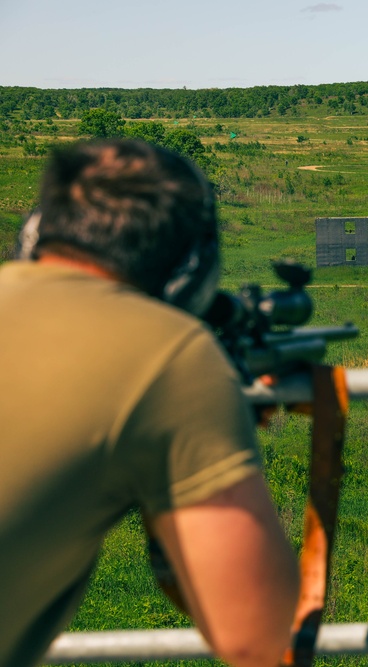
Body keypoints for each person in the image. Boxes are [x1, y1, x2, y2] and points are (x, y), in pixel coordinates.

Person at [0, 139, 299, 667]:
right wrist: (196, 433)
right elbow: (255, 635)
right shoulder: (169, 355)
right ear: (192, 273)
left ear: (34, 233)